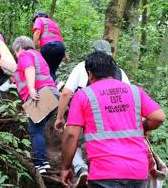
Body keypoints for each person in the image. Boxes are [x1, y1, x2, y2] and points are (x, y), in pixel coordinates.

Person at [60, 50, 165, 188]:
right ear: (114, 72)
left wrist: (66, 168)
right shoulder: (134, 91)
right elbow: (159, 117)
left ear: (90, 75)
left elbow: (71, 135)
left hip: (104, 173)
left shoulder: (83, 96)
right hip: (138, 172)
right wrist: (144, 126)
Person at [54, 40, 130, 187]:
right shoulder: (120, 72)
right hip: (112, 120)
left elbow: (66, 93)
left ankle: (80, 168)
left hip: (84, 115)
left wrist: (59, 117)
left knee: (71, 139)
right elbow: (130, 97)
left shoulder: (82, 67)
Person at [8, 36, 59, 174]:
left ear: (19, 48)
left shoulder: (24, 54)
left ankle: (39, 164)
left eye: (15, 52)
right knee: (39, 129)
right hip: (53, 95)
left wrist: (31, 88)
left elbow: (29, 68)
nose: (16, 55)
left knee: (35, 130)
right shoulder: (38, 55)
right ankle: (44, 162)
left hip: (40, 94)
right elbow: (16, 68)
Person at [32, 11, 66, 81]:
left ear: (38, 16)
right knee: (51, 71)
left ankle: (54, 86)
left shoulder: (39, 19)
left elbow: (37, 32)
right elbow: (60, 38)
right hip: (60, 48)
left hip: (49, 47)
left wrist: (32, 47)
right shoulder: (53, 23)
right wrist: (65, 55)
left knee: (44, 70)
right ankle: (55, 86)